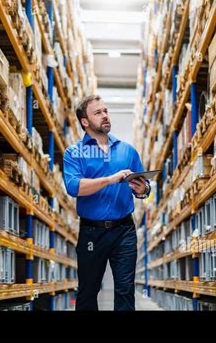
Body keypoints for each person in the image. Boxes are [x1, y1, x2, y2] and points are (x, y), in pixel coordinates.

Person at [63, 95, 151, 311]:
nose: (105, 116)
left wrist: (143, 190)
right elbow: (74, 187)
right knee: (88, 291)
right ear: (85, 122)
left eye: (106, 111)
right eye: (98, 113)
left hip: (124, 231)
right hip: (92, 232)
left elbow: (144, 186)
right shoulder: (74, 153)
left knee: (124, 290)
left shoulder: (127, 150)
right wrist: (110, 179)